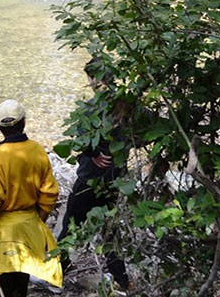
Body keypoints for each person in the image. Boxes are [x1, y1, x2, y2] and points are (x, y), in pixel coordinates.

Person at [0, 99, 62, 297]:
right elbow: (49, 193)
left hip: (3, 229)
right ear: (24, 123)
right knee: (20, 282)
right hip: (29, 225)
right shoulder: (37, 150)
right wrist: (38, 220)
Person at [57, 61, 135, 294]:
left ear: (92, 79)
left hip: (89, 180)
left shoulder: (90, 109)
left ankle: (56, 274)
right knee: (111, 230)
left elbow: (77, 140)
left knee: (71, 226)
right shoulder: (127, 106)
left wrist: (94, 154)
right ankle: (120, 280)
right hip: (114, 179)